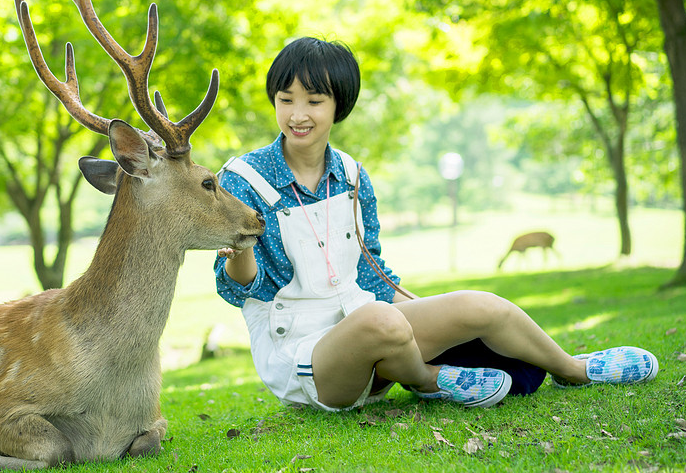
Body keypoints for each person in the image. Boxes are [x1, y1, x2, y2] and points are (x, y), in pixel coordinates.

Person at [214, 37, 658, 411]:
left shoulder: (351, 175)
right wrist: (242, 250)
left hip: (368, 318)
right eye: (285, 99)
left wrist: (443, 323)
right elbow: (238, 289)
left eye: (314, 100)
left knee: (480, 304)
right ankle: (427, 380)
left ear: (338, 105)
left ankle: (572, 369)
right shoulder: (242, 179)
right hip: (304, 355)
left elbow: (374, 274)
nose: (297, 114)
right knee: (380, 323)